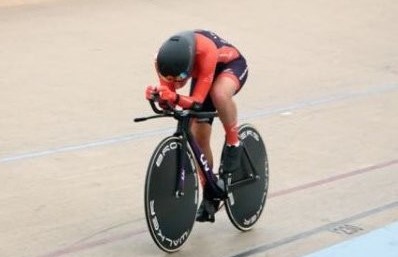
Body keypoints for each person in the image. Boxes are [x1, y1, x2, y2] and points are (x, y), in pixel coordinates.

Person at [145, 29, 248, 222]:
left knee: (218, 94)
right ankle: (210, 192)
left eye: (182, 76)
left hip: (228, 66)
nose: (178, 82)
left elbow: (198, 101)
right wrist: (159, 96)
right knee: (199, 136)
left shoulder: (206, 51)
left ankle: (234, 142)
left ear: (190, 65)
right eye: (172, 78)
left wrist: (174, 96)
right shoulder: (162, 60)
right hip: (202, 72)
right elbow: (170, 96)